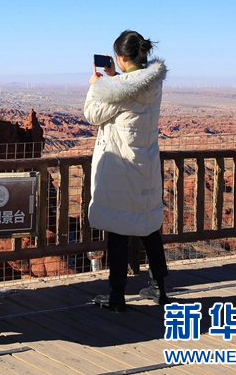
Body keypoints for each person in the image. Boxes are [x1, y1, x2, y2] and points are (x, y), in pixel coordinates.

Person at [84, 30, 169, 312]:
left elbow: (93, 114)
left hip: (120, 167)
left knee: (118, 230)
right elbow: (131, 88)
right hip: (146, 164)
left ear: (121, 57)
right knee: (148, 225)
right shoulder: (153, 83)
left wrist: (97, 85)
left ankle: (116, 295)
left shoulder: (119, 88)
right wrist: (114, 76)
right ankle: (159, 288)